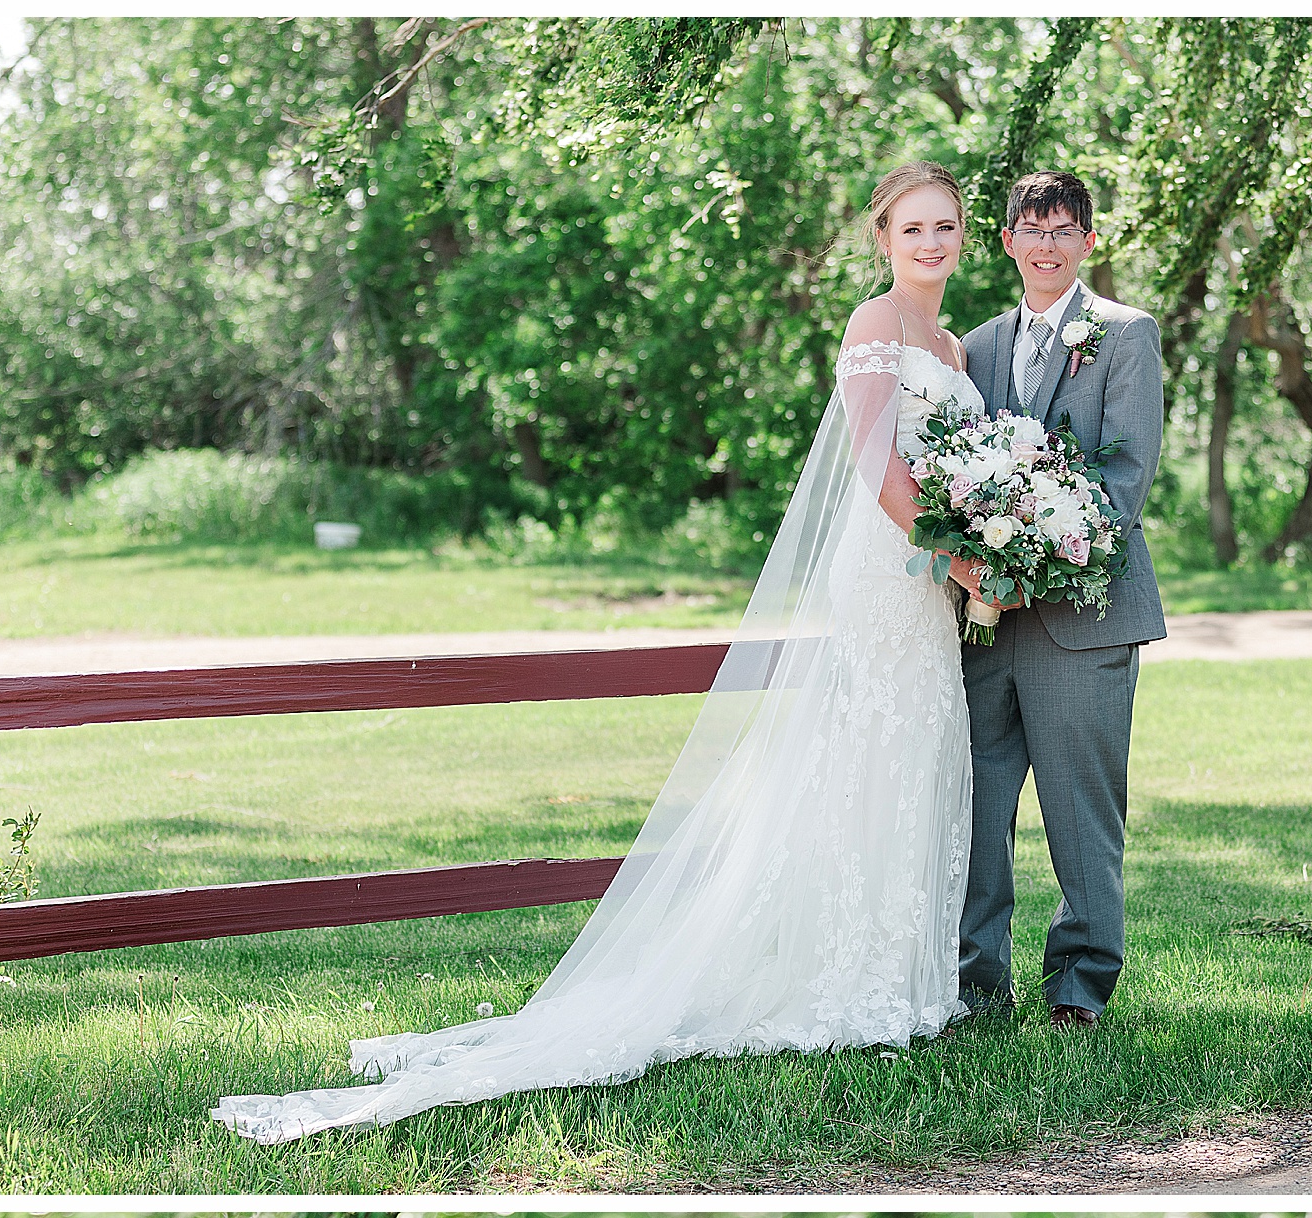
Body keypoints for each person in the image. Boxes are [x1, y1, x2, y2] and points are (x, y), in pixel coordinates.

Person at [214, 166, 988, 1145]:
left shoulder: (953, 344)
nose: (930, 242)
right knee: (868, 757)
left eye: (946, 226)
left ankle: (897, 976)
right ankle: (844, 977)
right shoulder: (873, 327)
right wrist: (959, 557)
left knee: (914, 760)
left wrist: (979, 553)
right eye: (912, 227)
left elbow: (953, 468)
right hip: (886, 574)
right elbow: (878, 465)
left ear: (964, 236)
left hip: (930, 583)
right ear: (881, 238)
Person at [957, 171, 1168, 1030]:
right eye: (1030, 228)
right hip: (981, 622)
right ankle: (975, 983)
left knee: (1083, 814)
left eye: (1063, 229)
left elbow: (1127, 472)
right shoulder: (972, 346)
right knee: (974, 807)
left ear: (1089, 240)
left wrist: (1042, 560)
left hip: (1084, 618)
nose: (1046, 243)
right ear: (1006, 241)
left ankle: (1079, 986)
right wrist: (982, 567)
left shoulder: (1125, 334)